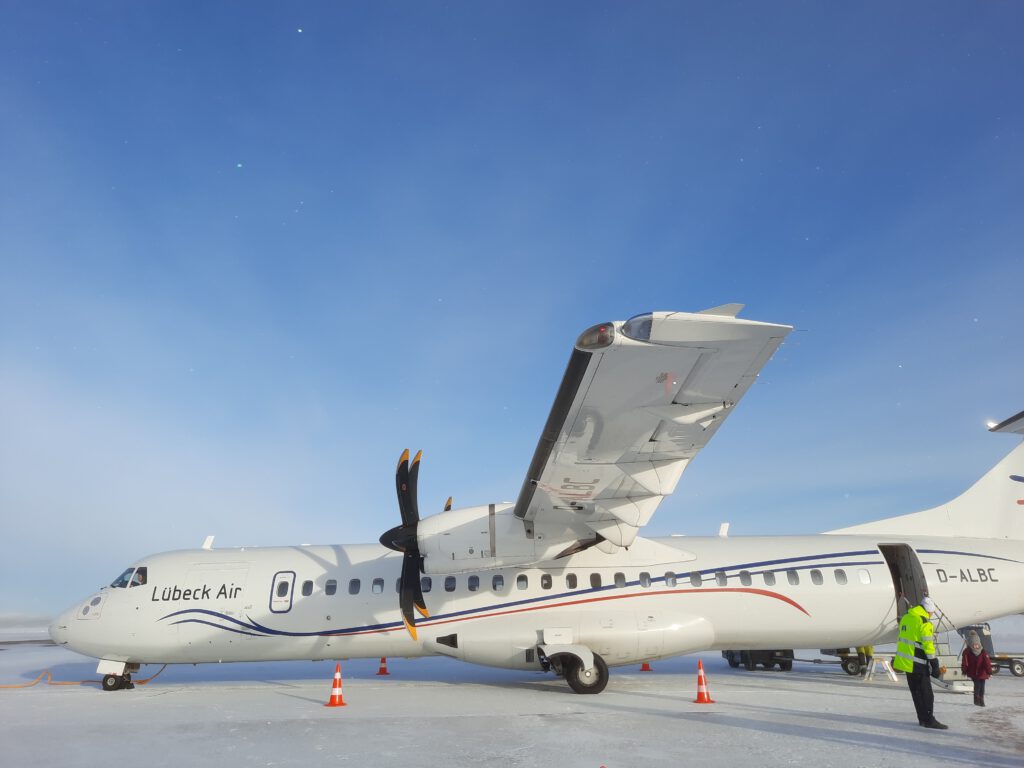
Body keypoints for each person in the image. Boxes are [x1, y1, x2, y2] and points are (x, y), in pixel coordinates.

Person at [893, 596, 947, 729]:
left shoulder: (906, 617)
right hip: (917, 664)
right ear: (928, 611)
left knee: (916, 693)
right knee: (927, 694)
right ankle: (929, 720)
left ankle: (922, 718)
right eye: (932, 612)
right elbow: (928, 645)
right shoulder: (924, 622)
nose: (932, 614)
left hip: (905, 663)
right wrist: (934, 664)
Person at [961, 630, 992, 707]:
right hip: (974, 673)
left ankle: (981, 700)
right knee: (977, 686)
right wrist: (964, 670)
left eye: (977, 644)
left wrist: (989, 671)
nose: (976, 646)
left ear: (979, 643)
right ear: (971, 644)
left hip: (982, 673)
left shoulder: (983, 651)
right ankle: (977, 701)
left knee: (982, 687)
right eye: (974, 645)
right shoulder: (967, 651)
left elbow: (987, 662)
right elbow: (965, 662)